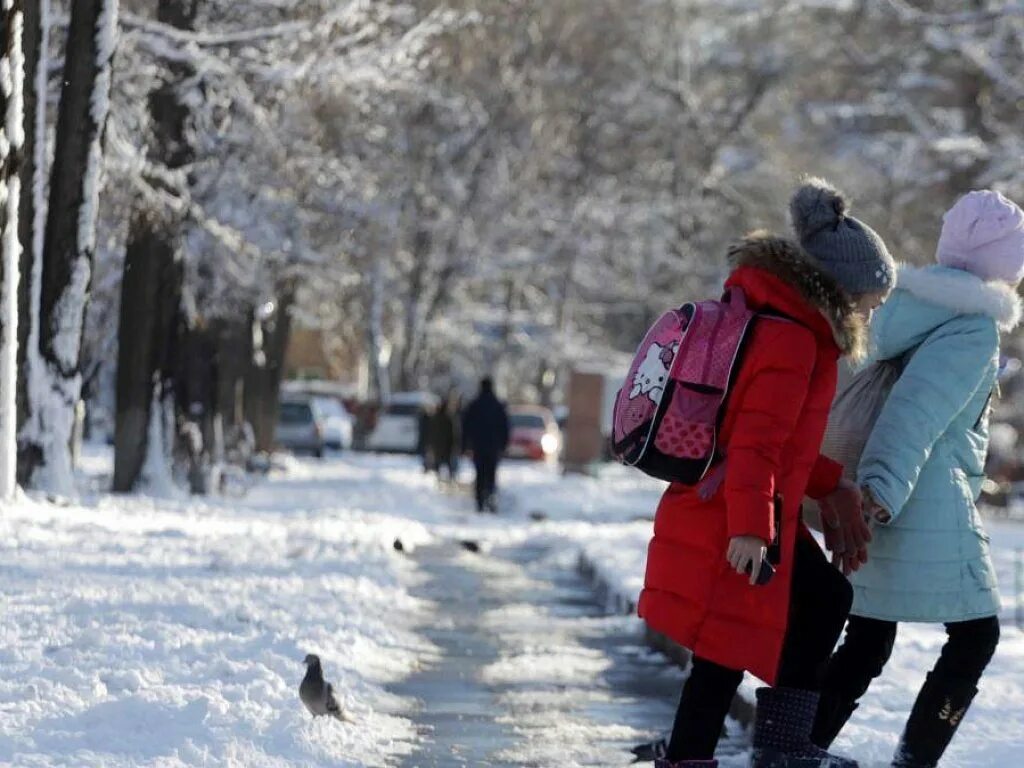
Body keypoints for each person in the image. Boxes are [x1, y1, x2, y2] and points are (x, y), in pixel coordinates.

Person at [640, 178, 895, 768]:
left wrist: (833, 484)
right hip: (735, 511)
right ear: (843, 287)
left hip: (726, 502)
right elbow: (756, 444)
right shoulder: (792, 340)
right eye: (872, 298)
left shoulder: (782, 321)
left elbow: (782, 446)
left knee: (742, 637)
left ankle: (758, 748)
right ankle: (774, 749)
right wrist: (751, 529)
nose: (873, 309)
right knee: (738, 639)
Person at [812, 190, 1024, 767]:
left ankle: (798, 747)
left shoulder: (892, 306)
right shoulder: (973, 328)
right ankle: (913, 760)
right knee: (977, 637)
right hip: (915, 502)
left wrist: (861, 493)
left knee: (868, 638)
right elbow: (915, 413)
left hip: (865, 494)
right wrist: (878, 494)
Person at [462, 377, 510, 512]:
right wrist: (504, 445)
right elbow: (505, 427)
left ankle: (480, 501)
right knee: (491, 474)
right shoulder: (498, 406)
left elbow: (466, 426)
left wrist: (466, 445)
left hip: (478, 446)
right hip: (493, 447)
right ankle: (490, 495)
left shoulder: (474, 405)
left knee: (480, 474)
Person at [431, 392, 462, 485]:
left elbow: (432, 432)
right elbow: (453, 433)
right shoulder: (449, 419)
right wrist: (455, 443)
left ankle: (439, 478)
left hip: (438, 445)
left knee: (438, 462)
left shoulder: (435, 418)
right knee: (448, 463)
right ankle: (450, 478)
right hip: (447, 445)